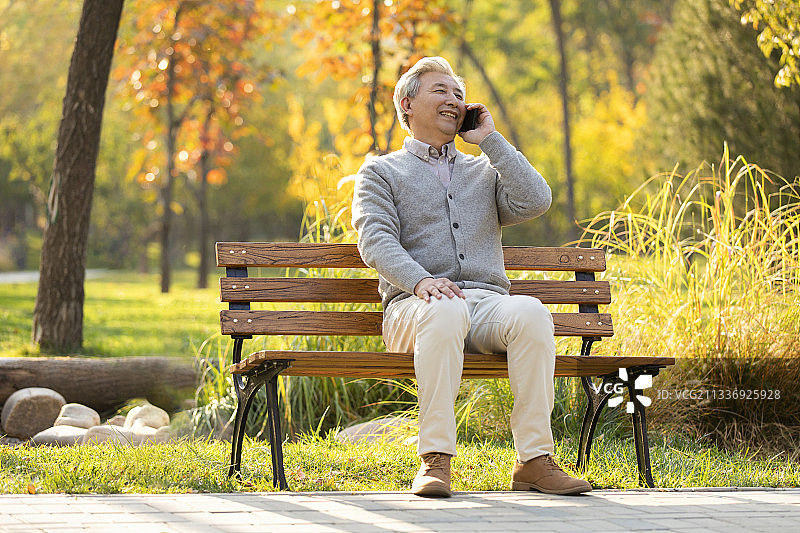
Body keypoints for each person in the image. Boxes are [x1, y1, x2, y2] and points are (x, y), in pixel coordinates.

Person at [351, 56, 592, 497]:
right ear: (407, 103)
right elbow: (376, 243)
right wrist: (421, 281)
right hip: (415, 307)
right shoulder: (380, 172)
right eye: (440, 90)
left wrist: (491, 140)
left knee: (533, 313)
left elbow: (537, 200)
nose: (453, 100)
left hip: (483, 306)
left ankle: (534, 461)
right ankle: (435, 460)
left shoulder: (484, 171)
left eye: (459, 94)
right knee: (445, 310)